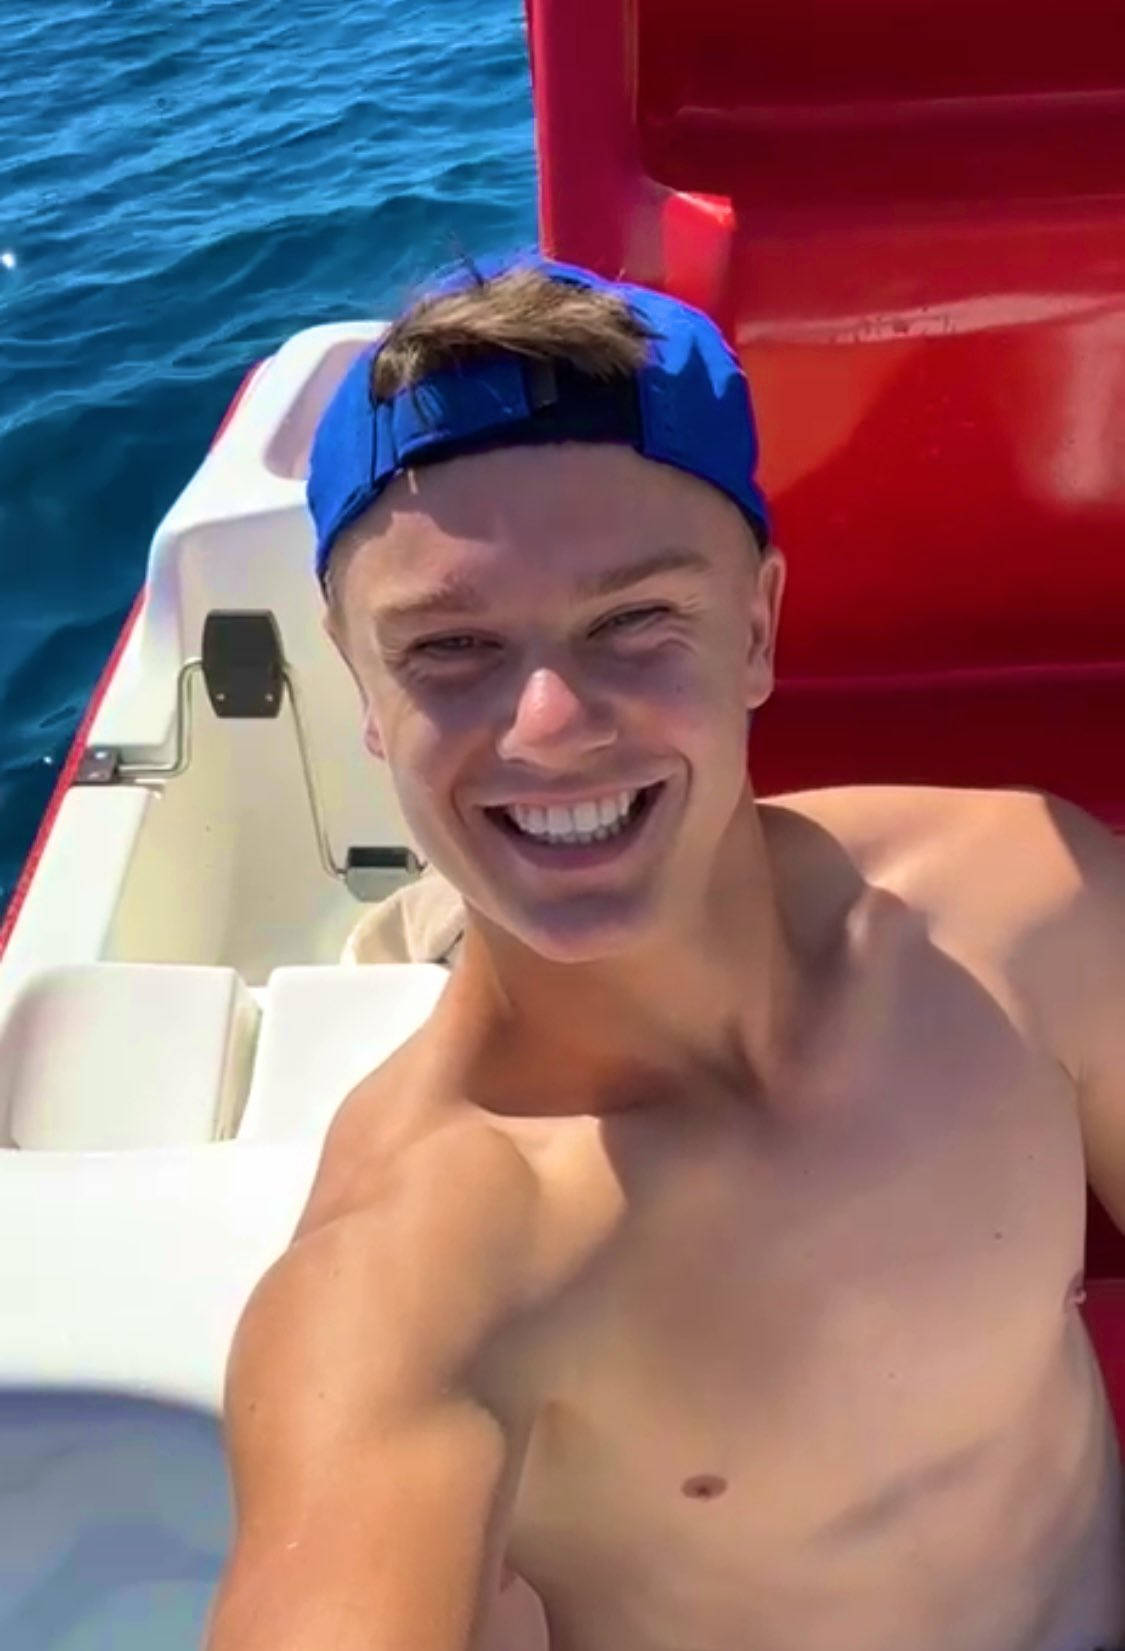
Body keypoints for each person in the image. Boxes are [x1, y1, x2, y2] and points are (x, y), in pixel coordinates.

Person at [204, 254, 1125, 1651]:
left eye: (633, 620)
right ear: (363, 696)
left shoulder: (1026, 914)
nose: (551, 726)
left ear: (753, 630)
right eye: (450, 647)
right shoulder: (423, 1265)